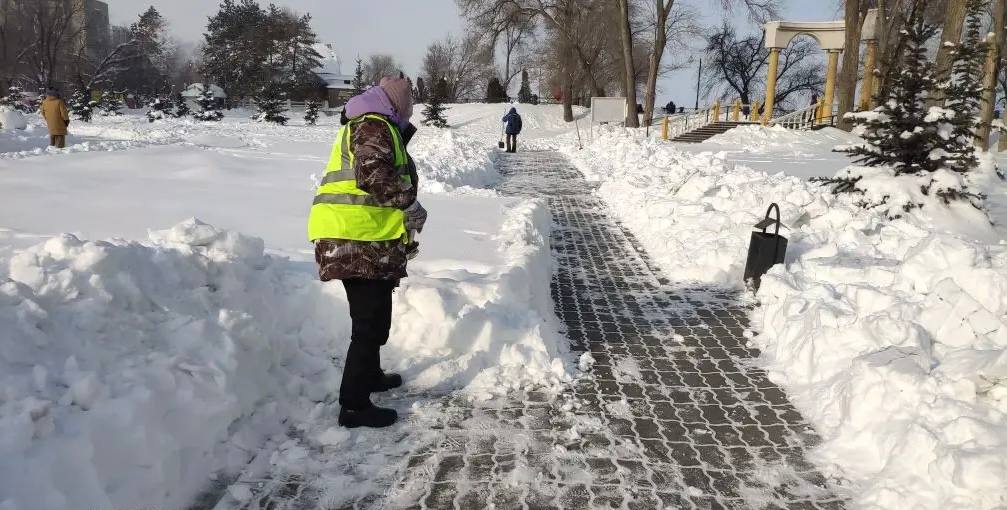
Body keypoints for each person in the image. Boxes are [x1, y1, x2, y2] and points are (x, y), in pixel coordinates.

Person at [307, 76, 426, 429]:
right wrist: (409, 204)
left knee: (377, 318)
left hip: (369, 238)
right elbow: (372, 175)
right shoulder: (373, 123)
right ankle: (354, 406)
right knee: (368, 323)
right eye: (407, 103)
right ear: (395, 102)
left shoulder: (379, 123)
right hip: (352, 237)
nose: (410, 109)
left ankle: (370, 375)